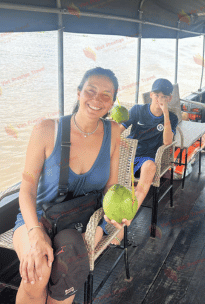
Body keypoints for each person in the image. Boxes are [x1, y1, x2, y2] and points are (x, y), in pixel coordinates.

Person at [12, 67, 129, 304]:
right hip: (37, 217)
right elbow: (27, 190)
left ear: (112, 102)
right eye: (91, 90)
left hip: (86, 218)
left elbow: (111, 188)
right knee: (39, 270)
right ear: (78, 93)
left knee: (67, 270)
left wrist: (115, 215)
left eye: (106, 95)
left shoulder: (114, 132)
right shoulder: (47, 130)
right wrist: (35, 233)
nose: (97, 99)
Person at [109, 79, 178, 240]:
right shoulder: (138, 110)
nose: (159, 99)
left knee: (150, 167)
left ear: (169, 98)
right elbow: (118, 131)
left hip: (147, 157)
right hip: (128, 153)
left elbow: (168, 142)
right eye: (156, 95)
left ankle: (126, 221)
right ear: (151, 95)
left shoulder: (172, 117)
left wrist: (166, 113)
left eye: (163, 96)